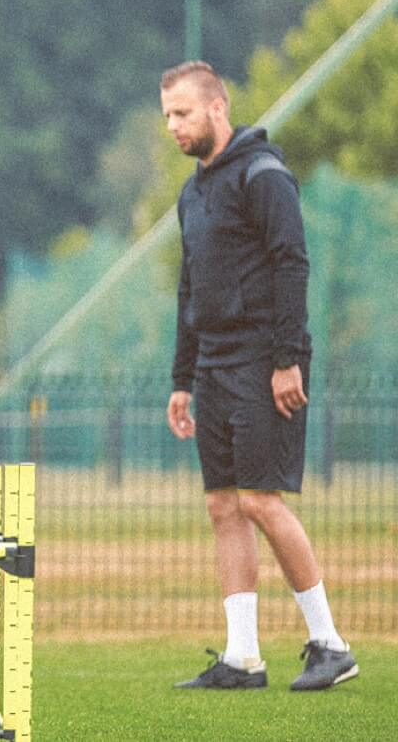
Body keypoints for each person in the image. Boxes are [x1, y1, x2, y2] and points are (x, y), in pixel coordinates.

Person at [162, 61, 357, 692]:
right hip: (214, 363)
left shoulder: (263, 174)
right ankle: (242, 657)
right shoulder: (193, 191)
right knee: (224, 506)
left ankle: (330, 644)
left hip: (261, 359)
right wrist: (181, 380)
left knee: (260, 501)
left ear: (217, 109)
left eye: (183, 113)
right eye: (167, 115)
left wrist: (286, 360)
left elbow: (291, 264)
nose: (173, 126)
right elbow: (192, 287)